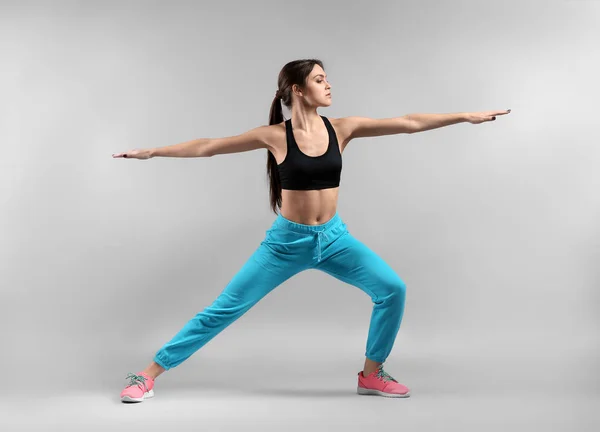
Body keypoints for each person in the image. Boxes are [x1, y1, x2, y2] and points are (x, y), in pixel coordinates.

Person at [112, 59, 510, 402]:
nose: (329, 84)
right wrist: (152, 151)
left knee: (392, 289)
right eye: (320, 79)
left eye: (326, 78)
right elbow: (208, 146)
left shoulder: (342, 128)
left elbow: (407, 123)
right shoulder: (274, 136)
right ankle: (146, 375)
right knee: (224, 309)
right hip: (286, 244)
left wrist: (464, 116)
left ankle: (371, 374)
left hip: (335, 240)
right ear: (297, 90)